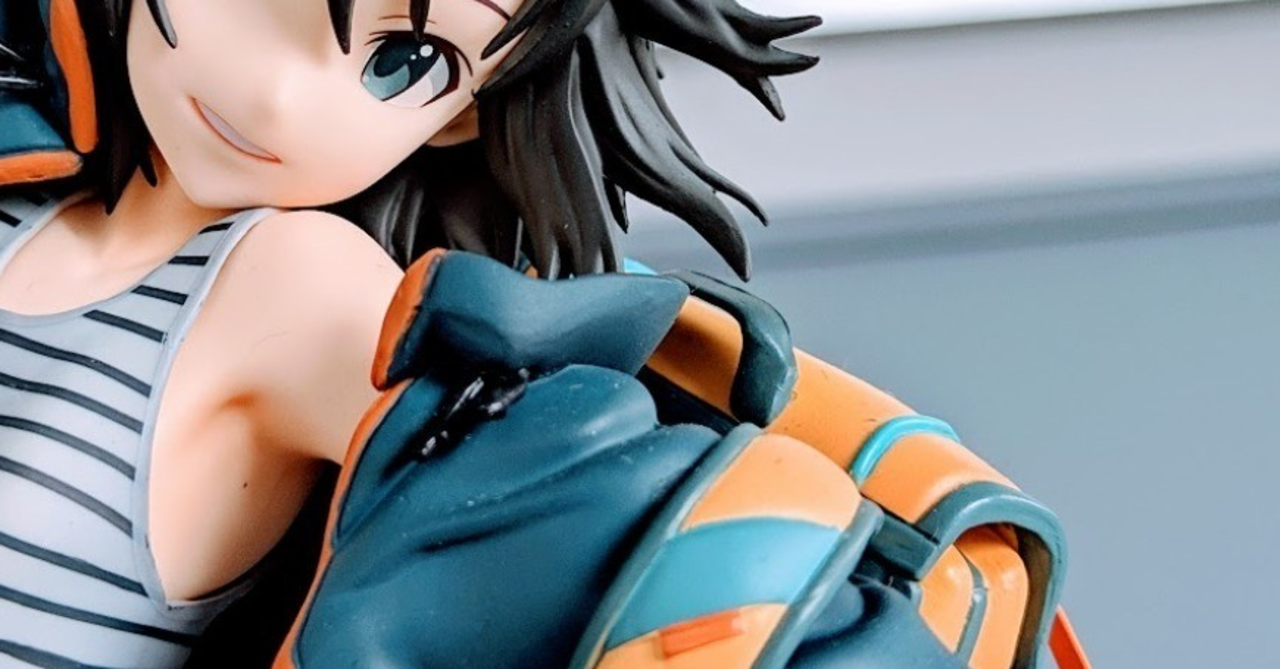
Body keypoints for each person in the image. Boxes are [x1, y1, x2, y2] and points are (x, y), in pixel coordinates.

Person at [0, 0, 826, 666]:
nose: (276, 96)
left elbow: (577, 504)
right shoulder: (24, 182)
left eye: (404, 60)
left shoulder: (290, 282)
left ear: (462, 116)